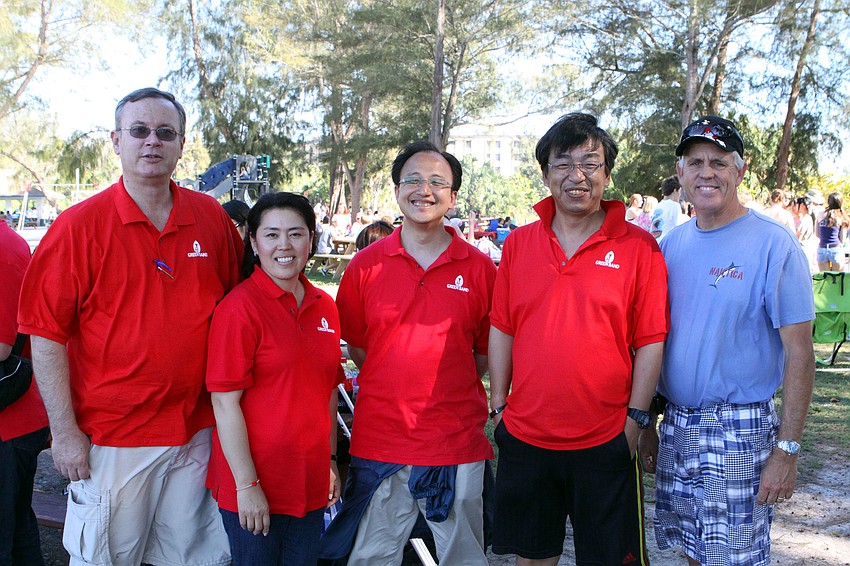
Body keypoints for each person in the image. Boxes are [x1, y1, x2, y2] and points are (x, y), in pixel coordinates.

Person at [18, 87, 241, 566]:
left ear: (182, 144)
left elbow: (235, 310)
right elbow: (45, 334)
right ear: (116, 141)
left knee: (188, 558)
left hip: (197, 429)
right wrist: (65, 431)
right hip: (116, 438)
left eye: (166, 132)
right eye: (139, 130)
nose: (152, 142)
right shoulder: (78, 227)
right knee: (107, 559)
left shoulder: (210, 218)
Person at [488, 113, 669, 566]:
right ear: (546, 173)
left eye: (591, 163)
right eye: (563, 163)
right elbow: (503, 326)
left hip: (607, 437)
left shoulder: (639, 248)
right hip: (527, 436)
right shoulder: (518, 244)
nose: (577, 175)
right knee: (532, 558)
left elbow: (651, 339)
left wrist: (636, 422)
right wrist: (498, 406)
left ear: (607, 174)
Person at [642, 116, 815, 566]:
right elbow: (657, 341)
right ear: (679, 174)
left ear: (739, 171)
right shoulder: (669, 247)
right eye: (695, 162)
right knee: (692, 551)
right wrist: (649, 424)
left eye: (719, 162)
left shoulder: (774, 246)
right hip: (678, 425)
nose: (706, 173)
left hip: (738, 430)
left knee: (734, 558)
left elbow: (800, 351)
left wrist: (787, 450)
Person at [320, 141, 497, 565]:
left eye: (438, 182)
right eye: (413, 180)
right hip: (381, 440)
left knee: (463, 556)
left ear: (453, 196)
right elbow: (361, 348)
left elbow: (483, 354)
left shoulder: (479, 270)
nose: (425, 190)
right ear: (398, 191)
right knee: (371, 556)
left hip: (455, 442)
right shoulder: (365, 267)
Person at [206, 193, 342, 565]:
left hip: (310, 482)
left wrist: (329, 461)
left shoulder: (324, 305)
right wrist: (247, 486)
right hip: (253, 485)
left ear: (311, 240)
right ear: (253, 242)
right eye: (271, 234)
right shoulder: (239, 309)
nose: (284, 245)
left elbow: (327, 389)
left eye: (296, 234)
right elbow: (224, 402)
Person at [1, 222, 50, 565]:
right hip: (15, 417)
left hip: (11, 421)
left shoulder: (4, 249)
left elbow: (2, 348)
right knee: (16, 531)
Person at [816, 191, 850, 272]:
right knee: (837, 280)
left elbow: (817, 234)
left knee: (826, 280)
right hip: (835, 249)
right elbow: (842, 239)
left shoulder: (820, 214)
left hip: (822, 248)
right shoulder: (842, 216)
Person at [651, 175, 685, 241]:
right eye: (680, 191)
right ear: (675, 190)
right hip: (667, 243)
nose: (680, 195)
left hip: (655, 242)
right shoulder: (674, 205)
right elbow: (679, 227)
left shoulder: (658, 205)